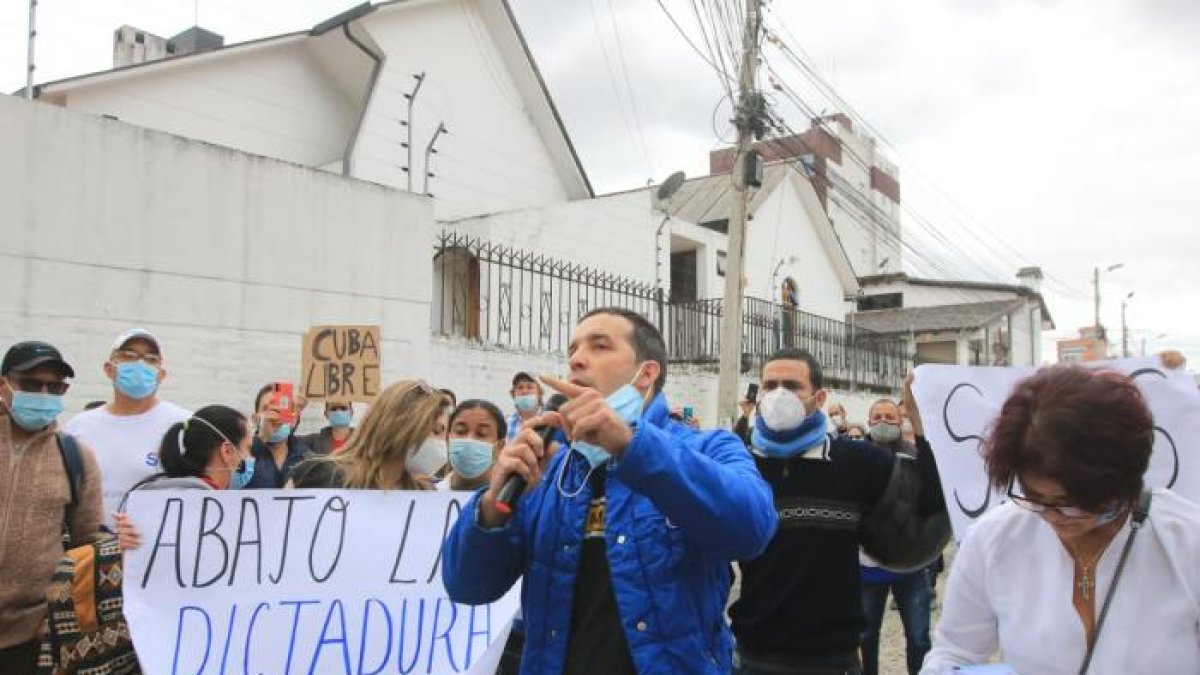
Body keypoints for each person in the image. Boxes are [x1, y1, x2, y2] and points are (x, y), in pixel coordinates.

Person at [442, 307, 778, 674]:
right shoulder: (547, 471)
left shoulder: (707, 448)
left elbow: (752, 529)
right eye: (572, 350)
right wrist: (493, 507)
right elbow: (467, 586)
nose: (577, 360)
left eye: (599, 346)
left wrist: (632, 445)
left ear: (646, 373)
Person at [920, 365, 1200, 674]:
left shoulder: (1186, 541)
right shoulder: (993, 539)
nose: (1056, 517)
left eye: (1075, 503)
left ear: (1122, 481)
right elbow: (954, 652)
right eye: (1036, 498)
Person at [729, 351, 947, 675]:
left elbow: (929, 501)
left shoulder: (858, 462)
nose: (778, 395)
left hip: (833, 659)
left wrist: (919, 421)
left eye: (791, 386)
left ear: (818, 398)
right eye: (770, 385)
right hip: (754, 657)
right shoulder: (741, 465)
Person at [0, 342, 103, 675]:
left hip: (28, 637)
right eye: (31, 384)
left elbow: (86, 546)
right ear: (4, 384)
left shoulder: (75, 456)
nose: (44, 394)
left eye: (55, 387)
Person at [62, 329, 190, 523]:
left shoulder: (184, 425)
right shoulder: (79, 427)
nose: (140, 364)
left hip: (157, 548)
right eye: (129, 356)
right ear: (109, 368)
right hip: (89, 548)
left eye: (151, 359)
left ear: (161, 374)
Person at [113, 405, 256, 549]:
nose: (251, 458)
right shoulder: (217, 511)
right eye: (249, 449)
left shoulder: (146, 494)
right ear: (227, 451)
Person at [859, 399, 932, 675]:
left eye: (889, 416)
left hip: (911, 569)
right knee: (865, 636)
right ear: (868, 420)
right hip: (866, 569)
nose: (883, 421)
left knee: (918, 638)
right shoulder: (856, 458)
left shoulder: (914, 456)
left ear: (900, 421)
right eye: (877, 416)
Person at [289, 379, 448, 489]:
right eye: (436, 431)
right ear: (402, 427)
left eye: (445, 432)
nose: (443, 442)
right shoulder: (320, 475)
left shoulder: (424, 492)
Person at [245, 383, 312, 489]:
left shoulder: (307, 458)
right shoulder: (242, 454)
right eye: (267, 409)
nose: (274, 417)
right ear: (255, 419)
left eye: (280, 410)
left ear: (293, 419)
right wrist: (263, 437)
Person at [441, 399, 507, 492]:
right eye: (460, 431)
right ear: (448, 439)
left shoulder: (512, 501)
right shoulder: (427, 495)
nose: (469, 439)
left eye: (481, 434)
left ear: (500, 447)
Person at [506, 371, 543, 440]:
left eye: (530, 387)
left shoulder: (549, 421)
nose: (524, 391)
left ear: (539, 393)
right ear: (513, 395)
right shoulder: (506, 423)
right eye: (520, 387)